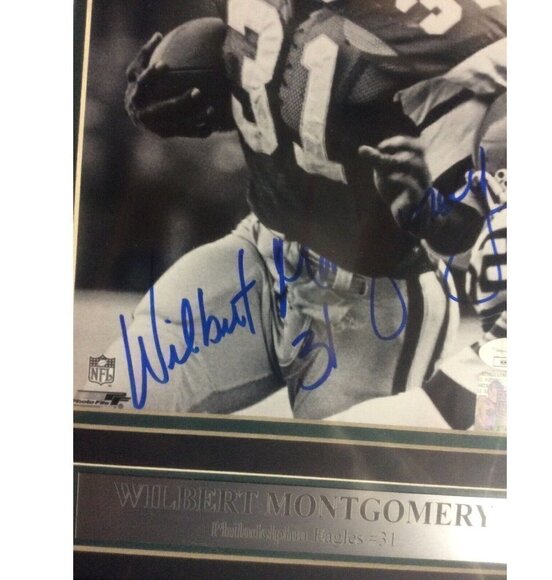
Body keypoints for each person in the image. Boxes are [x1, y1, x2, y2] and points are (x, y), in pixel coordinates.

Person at [99, 0, 506, 427]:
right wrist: (186, 92)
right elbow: (295, 71)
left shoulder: (463, 26)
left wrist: (431, 214)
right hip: (259, 256)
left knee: (336, 464)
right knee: (111, 402)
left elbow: (484, 220)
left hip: (377, 305)